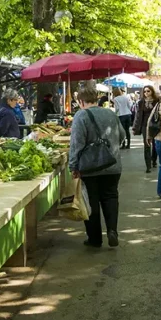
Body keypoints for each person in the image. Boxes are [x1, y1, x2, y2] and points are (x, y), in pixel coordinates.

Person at [69, 82, 126, 248]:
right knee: (110, 197)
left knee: (91, 201)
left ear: (81, 101)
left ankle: (94, 239)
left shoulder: (81, 116)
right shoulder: (110, 113)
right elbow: (122, 136)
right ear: (96, 99)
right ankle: (112, 230)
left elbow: (76, 144)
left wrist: (73, 167)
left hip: (90, 168)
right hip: (112, 164)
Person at [133, 85, 160, 173]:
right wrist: (135, 127)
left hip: (155, 125)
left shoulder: (157, 101)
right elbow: (138, 116)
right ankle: (148, 166)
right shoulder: (141, 102)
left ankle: (154, 160)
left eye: (148, 91)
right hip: (145, 126)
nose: (146, 93)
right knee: (147, 145)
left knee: (155, 144)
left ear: (152, 91)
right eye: (145, 91)